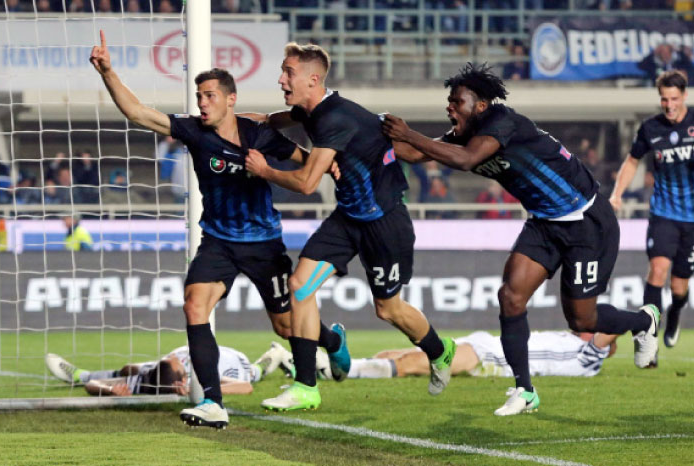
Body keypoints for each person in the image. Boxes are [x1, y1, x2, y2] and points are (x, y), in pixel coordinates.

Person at [89, 30, 344, 429]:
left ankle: (331, 342)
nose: (202, 103)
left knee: (286, 324)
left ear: (230, 99)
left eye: (210, 96)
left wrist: (331, 164)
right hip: (219, 242)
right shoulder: (194, 132)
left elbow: (304, 158)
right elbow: (139, 113)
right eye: (199, 97)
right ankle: (212, 401)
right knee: (194, 305)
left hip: (263, 244)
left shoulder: (258, 135)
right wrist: (107, 72)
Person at [382, 63, 659, 416]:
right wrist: (374, 142)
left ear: (480, 105)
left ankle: (643, 322)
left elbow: (466, 160)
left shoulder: (502, 122)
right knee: (510, 297)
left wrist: (407, 133)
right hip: (545, 223)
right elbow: (419, 152)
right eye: (449, 101)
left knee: (582, 321)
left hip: (586, 221)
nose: (449, 106)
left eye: (456, 101)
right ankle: (524, 390)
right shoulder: (465, 133)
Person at [245, 43, 456, 412]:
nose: (281, 79)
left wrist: (263, 171)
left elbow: (309, 184)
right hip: (347, 219)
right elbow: (267, 120)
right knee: (300, 285)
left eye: (287, 72)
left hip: (385, 222)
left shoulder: (334, 118)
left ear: (312, 80)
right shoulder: (308, 110)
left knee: (388, 309)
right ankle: (306, 387)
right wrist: (221, 123)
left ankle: (440, 352)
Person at [610, 70, 694, 349]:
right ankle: (648, 338)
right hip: (664, 214)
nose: (668, 105)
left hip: (692, 220)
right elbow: (633, 161)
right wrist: (617, 194)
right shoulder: (650, 128)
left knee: (680, 286)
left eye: (673, 99)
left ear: (684, 96)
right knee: (657, 270)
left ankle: (676, 312)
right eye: (663, 99)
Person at [44, 342, 294, 408]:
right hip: (216, 359)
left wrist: (205, 389)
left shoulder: (188, 369)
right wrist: (110, 390)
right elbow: (242, 386)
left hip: (229, 358)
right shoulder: (152, 380)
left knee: (251, 374)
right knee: (251, 375)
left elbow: (245, 388)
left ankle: (273, 357)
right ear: (181, 376)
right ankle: (275, 355)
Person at [321, 331, 619, 380]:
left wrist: (641, 321)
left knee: (412, 364)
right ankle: (344, 366)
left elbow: (610, 331)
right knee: (390, 353)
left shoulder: (588, 357)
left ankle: (337, 369)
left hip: (491, 358)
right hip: (486, 341)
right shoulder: (568, 336)